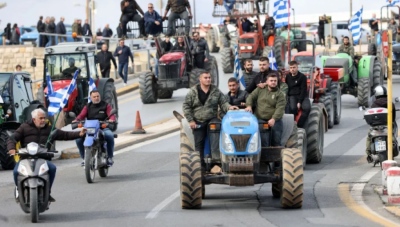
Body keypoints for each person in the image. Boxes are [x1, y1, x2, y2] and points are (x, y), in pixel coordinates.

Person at [8, 108, 86, 202]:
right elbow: (12, 138)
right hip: (26, 158)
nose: (43, 120)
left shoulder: (50, 129)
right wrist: (11, 148)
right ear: (34, 119)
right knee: (16, 171)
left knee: (52, 168)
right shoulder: (24, 127)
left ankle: (47, 192)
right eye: (40, 118)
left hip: (43, 158)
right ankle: (18, 189)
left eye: (44, 118)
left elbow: (65, 135)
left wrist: (79, 134)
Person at [182, 71, 238, 166]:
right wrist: (191, 120)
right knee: (199, 143)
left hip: (212, 118)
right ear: (200, 79)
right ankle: (201, 166)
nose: (208, 79)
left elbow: (223, 102)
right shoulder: (193, 91)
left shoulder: (215, 90)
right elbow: (186, 106)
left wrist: (229, 107)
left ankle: (216, 160)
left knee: (216, 128)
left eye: (209, 77)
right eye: (206, 78)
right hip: (198, 120)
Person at [74, 90, 117, 166]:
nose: (96, 98)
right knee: (78, 139)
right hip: (90, 129)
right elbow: (81, 115)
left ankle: (110, 157)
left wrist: (112, 119)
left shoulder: (106, 105)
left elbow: (111, 115)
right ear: (91, 98)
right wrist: (76, 120)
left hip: (102, 127)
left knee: (110, 136)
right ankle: (84, 158)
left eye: (98, 96)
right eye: (94, 97)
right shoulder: (87, 106)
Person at [245, 73, 286, 147]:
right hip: (260, 118)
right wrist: (249, 105)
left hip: (275, 120)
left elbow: (280, 108)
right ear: (267, 82)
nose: (273, 82)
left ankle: (276, 154)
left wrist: (273, 119)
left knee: (276, 138)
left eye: (275, 81)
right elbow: (251, 96)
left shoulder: (280, 95)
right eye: (271, 80)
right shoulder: (260, 89)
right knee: (263, 139)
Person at [365, 85, 396, 163]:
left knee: (369, 136)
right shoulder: (390, 103)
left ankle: (368, 154)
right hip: (387, 127)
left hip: (375, 128)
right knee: (393, 136)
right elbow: (393, 117)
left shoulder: (373, 104)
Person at [285, 61, 310, 129]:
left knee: (307, 108)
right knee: (292, 109)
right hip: (292, 95)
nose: (292, 69)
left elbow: (303, 90)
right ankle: (292, 126)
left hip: (302, 95)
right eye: (291, 68)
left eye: (294, 67)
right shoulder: (287, 76)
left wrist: (299, 102)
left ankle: (299, 125)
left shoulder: (302, 77)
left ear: (297, 67)